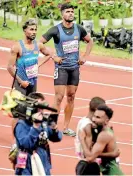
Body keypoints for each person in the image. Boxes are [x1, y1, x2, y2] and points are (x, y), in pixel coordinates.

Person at [40, 3, 93, 136]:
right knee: (58, 98)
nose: (71, 14)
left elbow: (90, 41)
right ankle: (52, 127)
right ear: (62, 14)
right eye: (68, 11)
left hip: (74, 68)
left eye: (72, 12)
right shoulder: (55, 30)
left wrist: (84, 56)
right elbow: (39, 43)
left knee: (71, 97)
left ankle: (66, 127)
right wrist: (53, 56)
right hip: (61, 68)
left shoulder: (78, 29)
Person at [13, 92, 62, 175]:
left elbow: (57, 138)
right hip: (26, 165)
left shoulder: (44, 121)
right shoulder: (22, 125)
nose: (41, 111)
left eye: (42, 108)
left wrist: (54, 130)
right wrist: (35, 127)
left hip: (43, 163)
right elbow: (26, 144)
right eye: (39, 108)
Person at [7, 18, 52, 96]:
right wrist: (21, 82)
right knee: (20, 107)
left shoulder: (38, 45)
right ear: (25, 30)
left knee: (31, 106)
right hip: (21, 84)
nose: (34, 32)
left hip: (33, 82)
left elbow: (49, 54)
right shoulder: (17, 47)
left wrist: (38, 65)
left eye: (35, 30)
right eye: (31, 29)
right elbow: (10, 67)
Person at [77, 104, 124, 175]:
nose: (93, 119)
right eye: (94, 116)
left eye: (98, 117)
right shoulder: (104, 130)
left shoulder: (104, 135)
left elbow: (90, 158)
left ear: (106, 121)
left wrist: (82, 139)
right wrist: (112, 154)